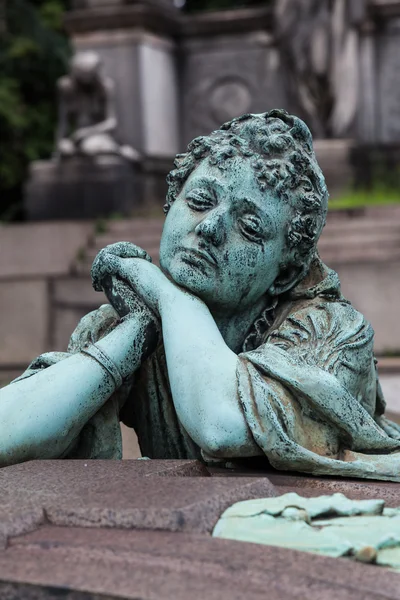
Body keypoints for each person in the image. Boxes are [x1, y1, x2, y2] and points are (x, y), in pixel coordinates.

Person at [2, 109, 400, 481]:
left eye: (249, 226)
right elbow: (9, 431)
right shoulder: (130, 322)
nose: (209, 228)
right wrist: (135, 332)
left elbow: (223, 425)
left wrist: (171, 296)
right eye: (199, 201)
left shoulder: (333, 332)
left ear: (286, 273)